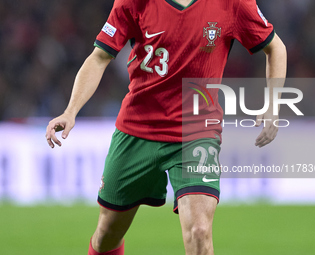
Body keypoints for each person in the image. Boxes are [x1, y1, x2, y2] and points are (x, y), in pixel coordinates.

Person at [45, 0, 287, 254]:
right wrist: (70, 111)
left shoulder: (233, 3)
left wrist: (274, 104)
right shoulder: (134, 2)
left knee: (200, 231)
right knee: (107, 233)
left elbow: (275, 48)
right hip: (137, 129)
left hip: (197, 131)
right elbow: (100, 57)